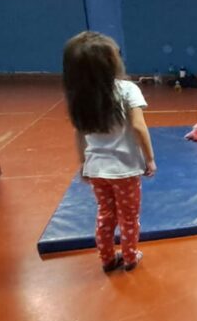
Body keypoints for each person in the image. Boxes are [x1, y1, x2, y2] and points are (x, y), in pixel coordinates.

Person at [63, 31, 155, 272]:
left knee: (105, 214)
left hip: (96, 170)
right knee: (128, 216)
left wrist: (83, 164)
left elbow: (79, 134)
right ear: (110, 63)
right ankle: (130, 256)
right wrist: (150, 158)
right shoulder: (127, 89)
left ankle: (107, 258)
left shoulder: (80, 96)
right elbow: (139, 127)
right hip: (124, 170)